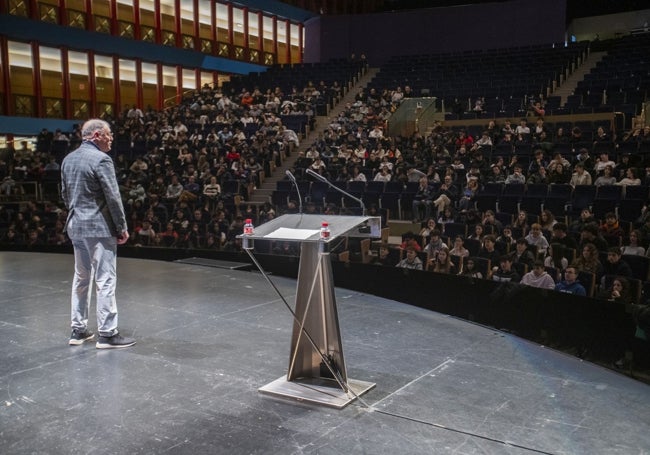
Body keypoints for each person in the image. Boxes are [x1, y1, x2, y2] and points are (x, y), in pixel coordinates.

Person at [60, 119, 136, 349]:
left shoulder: (68, 159)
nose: (111, 138)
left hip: (76, 226)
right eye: (108, 134)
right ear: (95, 135)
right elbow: (113, 197)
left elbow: (65, 194)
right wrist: (121, 227)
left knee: (81, 278)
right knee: (105, 279)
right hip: (99, 228)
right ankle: (107, 333)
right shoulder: (102, 159)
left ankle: (78, 330)